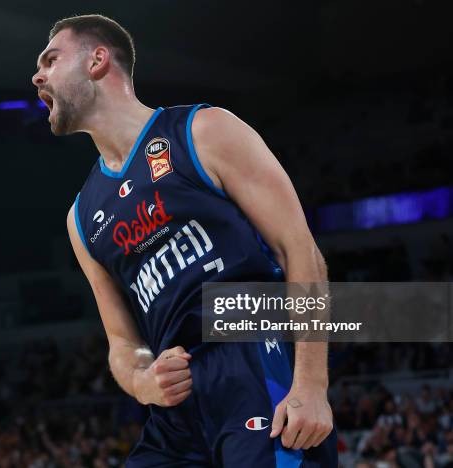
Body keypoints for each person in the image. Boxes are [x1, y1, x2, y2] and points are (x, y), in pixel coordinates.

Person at [32, 14, 337, 467]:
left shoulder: (204, 131)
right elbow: (121, 341)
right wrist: (141, 381)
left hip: (254, 357)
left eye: (51, 60)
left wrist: (311, 385)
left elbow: (301, 252)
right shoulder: (81, 219)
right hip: (175, 406)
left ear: (97, 61)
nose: (37, 75)